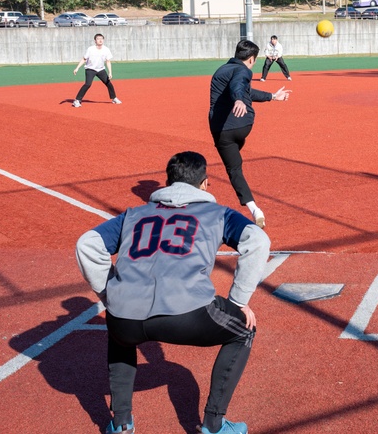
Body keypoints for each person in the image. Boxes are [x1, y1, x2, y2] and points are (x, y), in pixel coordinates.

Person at [76, 151, 270, 434]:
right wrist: (239, 301)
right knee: (243, 331)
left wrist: (110, 294)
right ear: (204, 184)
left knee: (119, 330)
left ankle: (121, 424)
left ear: (167, 183)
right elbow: (258, 240)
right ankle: (214, 425)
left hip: (126, 320)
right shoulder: (218, 213)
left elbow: (86, 244)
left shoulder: (133, 214)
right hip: (187, 316)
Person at [209, 40, 291, 228]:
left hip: (221, 130)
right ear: (252, 59)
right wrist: (239, 99)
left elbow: (241, 89)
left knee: (234, 169)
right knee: (235, 160)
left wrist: (271, 96)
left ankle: (255, 209)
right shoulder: (244, 70)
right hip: (243, 124)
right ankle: (256, 210)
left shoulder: (221, 70)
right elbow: (239, 87)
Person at [72, 33, 120, 107]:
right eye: (98, 39)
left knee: (108, 83)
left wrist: (110, 72)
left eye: (101, 38)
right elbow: (84, 59)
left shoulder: (106, 49)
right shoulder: (90, 49)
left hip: (100, 69)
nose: (100, 40)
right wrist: (77, 68)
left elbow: (108, 61)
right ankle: (77, 100)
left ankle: (114, 98)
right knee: (88, 84)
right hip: (90, 69)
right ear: (95, 41)